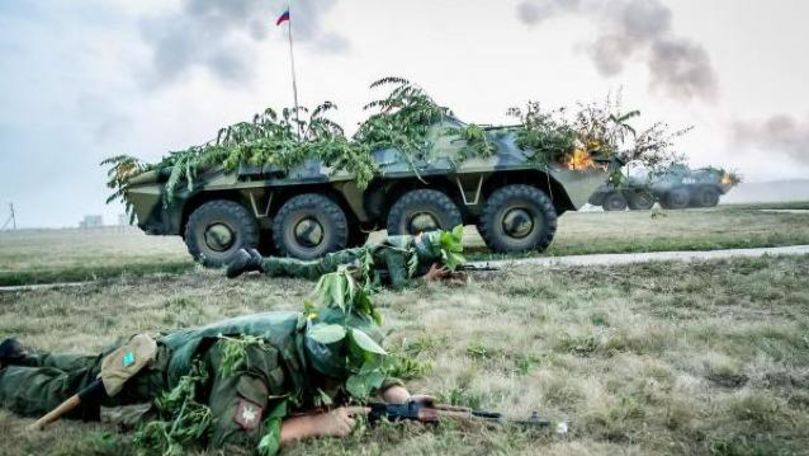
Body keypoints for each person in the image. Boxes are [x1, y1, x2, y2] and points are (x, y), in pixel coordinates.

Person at [0, 270, 422, 454]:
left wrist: (403, 399)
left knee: (87, 364)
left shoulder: (311, 327)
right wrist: (314, 424)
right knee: (70, 389)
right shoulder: (259, 364)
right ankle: (7, 374)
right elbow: (232, 441)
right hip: (152, 372)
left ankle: (24, 355)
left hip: (165, 345)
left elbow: (372, 372)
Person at [227, 226, 467, 290]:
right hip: (343, 262)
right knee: (306, 270)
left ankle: (258, 259)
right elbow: (400, 284)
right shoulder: (398, 251)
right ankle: (257, 262)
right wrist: (425, 280)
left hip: (352, 262)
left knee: (305, 268)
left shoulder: (409, 244)